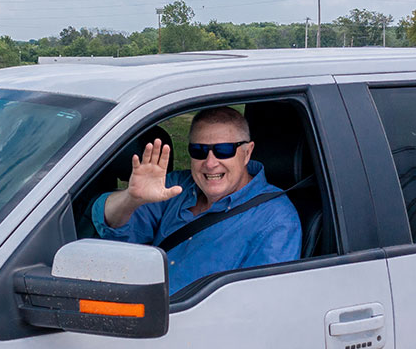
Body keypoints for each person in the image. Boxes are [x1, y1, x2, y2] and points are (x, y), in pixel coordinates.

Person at [92, 106, 302, 295]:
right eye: (199, 151)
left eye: (223, 150)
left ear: (247, 153)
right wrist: (131, 198)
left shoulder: (276, 219)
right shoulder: (176, 187)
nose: (210, 163)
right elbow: (111, 225)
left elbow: (262, 304)